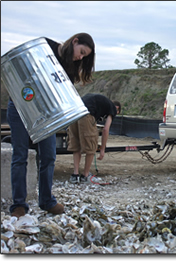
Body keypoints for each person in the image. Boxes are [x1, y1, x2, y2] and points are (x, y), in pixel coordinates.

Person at [7, 33, 95, 218]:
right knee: (20, 155)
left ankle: (47, 201)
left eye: (84, 57)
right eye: (81, 52)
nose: (80, 57)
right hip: (20, 105)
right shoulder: (44, 46)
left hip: (45, 113)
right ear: (75, 41)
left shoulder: (70, 69)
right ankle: (19, 205)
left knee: (48, 156)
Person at [67, 93, 121, 184]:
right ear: (117, 109)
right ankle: (85, 175)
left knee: (76, 144)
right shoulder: (112, 109)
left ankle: (75, 175)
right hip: (86, 113)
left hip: (74, 111)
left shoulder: (102, 103)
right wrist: (102, 149)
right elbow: (105, 129)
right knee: (91, 146)